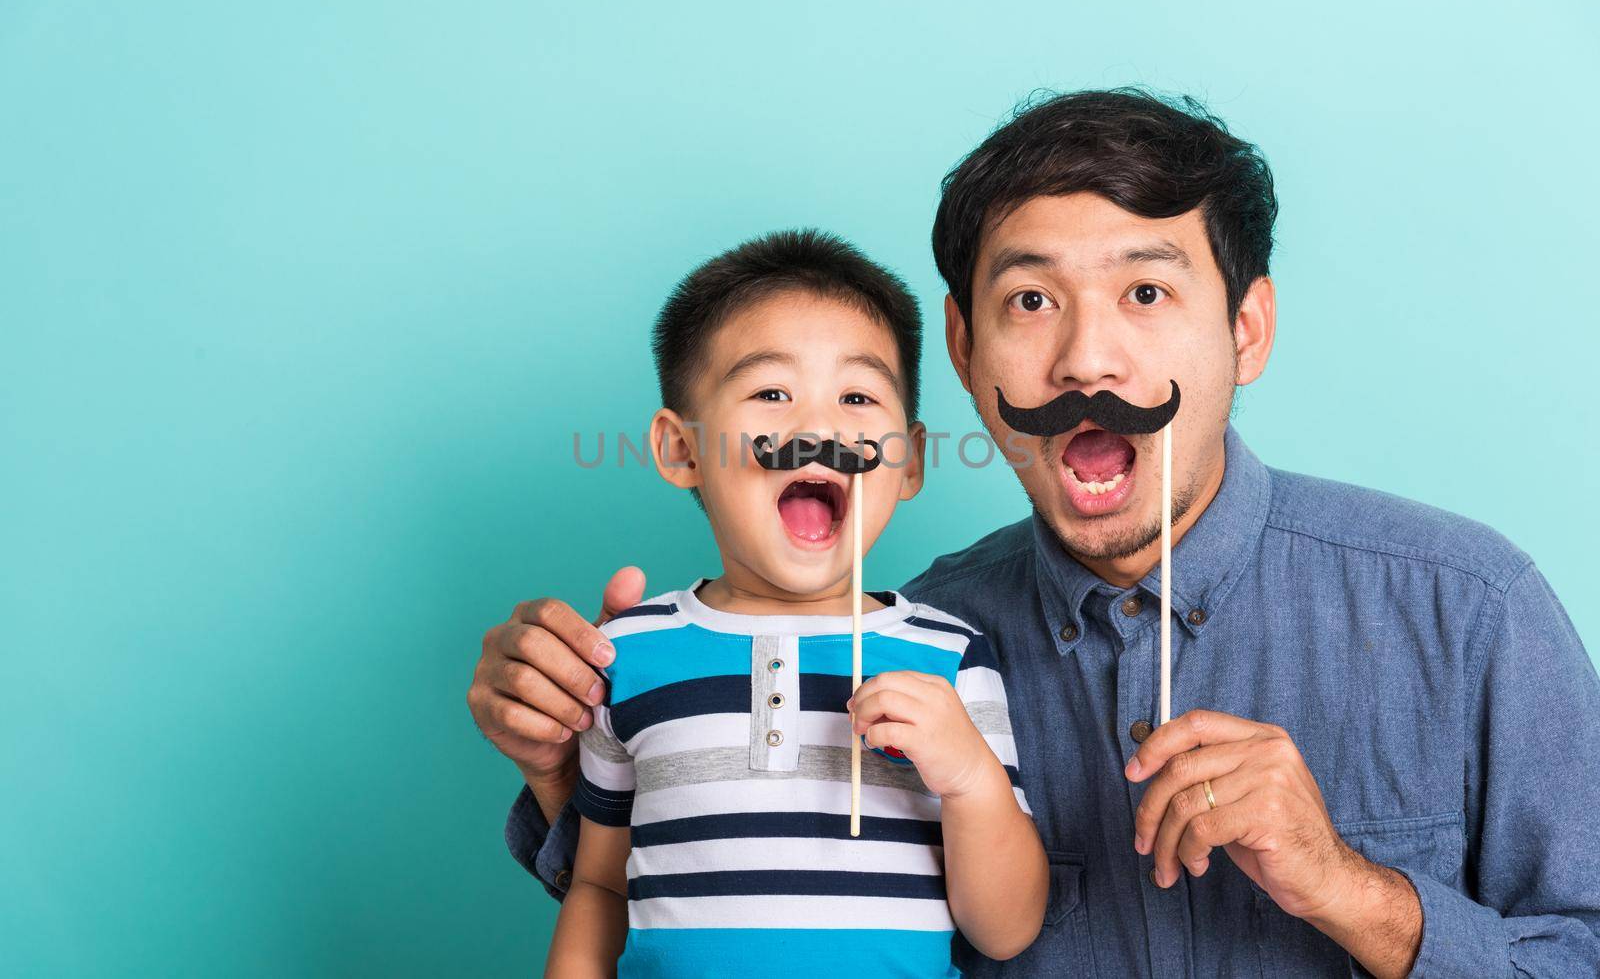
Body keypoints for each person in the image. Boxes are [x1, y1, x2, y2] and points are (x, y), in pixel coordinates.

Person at [471, 89, 1600, 977]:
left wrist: (1348, 887)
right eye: (1029, 302)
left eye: (1145, 296)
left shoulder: (1469, 606)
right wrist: (560, 759)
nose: (1084, 363)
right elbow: (713, 899)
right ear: (962, 352)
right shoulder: (900, 643)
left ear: (1246, 329)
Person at [541, 229, 1047, 978]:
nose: (818, 429)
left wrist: (971, 779)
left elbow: (1005, 932)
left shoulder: (950, 656)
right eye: (772, 393)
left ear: (906, 462)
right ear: (682, 451)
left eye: (857, 396)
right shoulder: (629, 653)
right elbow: (597, 883)